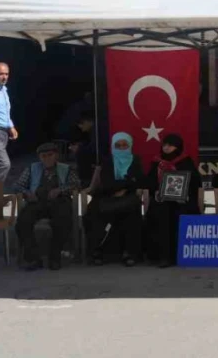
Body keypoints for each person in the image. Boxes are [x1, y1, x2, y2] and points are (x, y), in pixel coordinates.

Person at [10, 142, 81, 271]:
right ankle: (33, 258)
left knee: (62, 220)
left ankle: (55, 257)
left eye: (50, 155)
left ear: (56, 156)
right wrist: (27, 193)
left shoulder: (66, 168)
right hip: (37, 201)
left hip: (59, 201)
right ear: (39, 157)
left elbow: (76, 184)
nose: (47, 158)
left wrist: (60, 190)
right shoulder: (32, 168)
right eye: (44, 156)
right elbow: (17, 185)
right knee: (23, 222)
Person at [87, 132, 145, 267]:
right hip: (106, 197)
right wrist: (125, 184)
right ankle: (98, 252)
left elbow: (139, 181)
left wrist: (123, 188)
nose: (121, 148)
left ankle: (129, 253)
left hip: (128, 197)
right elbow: (106, 184)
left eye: (125, 145)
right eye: (118, 146)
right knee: (95, 213)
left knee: (131, 214)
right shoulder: (107, 161)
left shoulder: (135, 160)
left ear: (130, 146)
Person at [145, 134, 198, 267]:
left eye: (170, 145)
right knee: (161, 214)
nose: (167, 148)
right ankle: (164, 256)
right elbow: (150, 181)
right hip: (162, 199)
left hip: (182, 200)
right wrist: (156, 191)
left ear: (178, 147)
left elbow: (196, 182)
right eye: (165, 145)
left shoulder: (185, 161)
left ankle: (181, 255)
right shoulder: (157, 161)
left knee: (179, 213)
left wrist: (185, 193)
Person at [67, 112, 97, 184]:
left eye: (80, 124)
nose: (80, 126)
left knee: (79, 153)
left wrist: (79, 149)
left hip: (97, 158)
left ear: (87, 122)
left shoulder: (96, 130)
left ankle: (85, 180)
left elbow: (94, 148)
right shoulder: (92, 131)